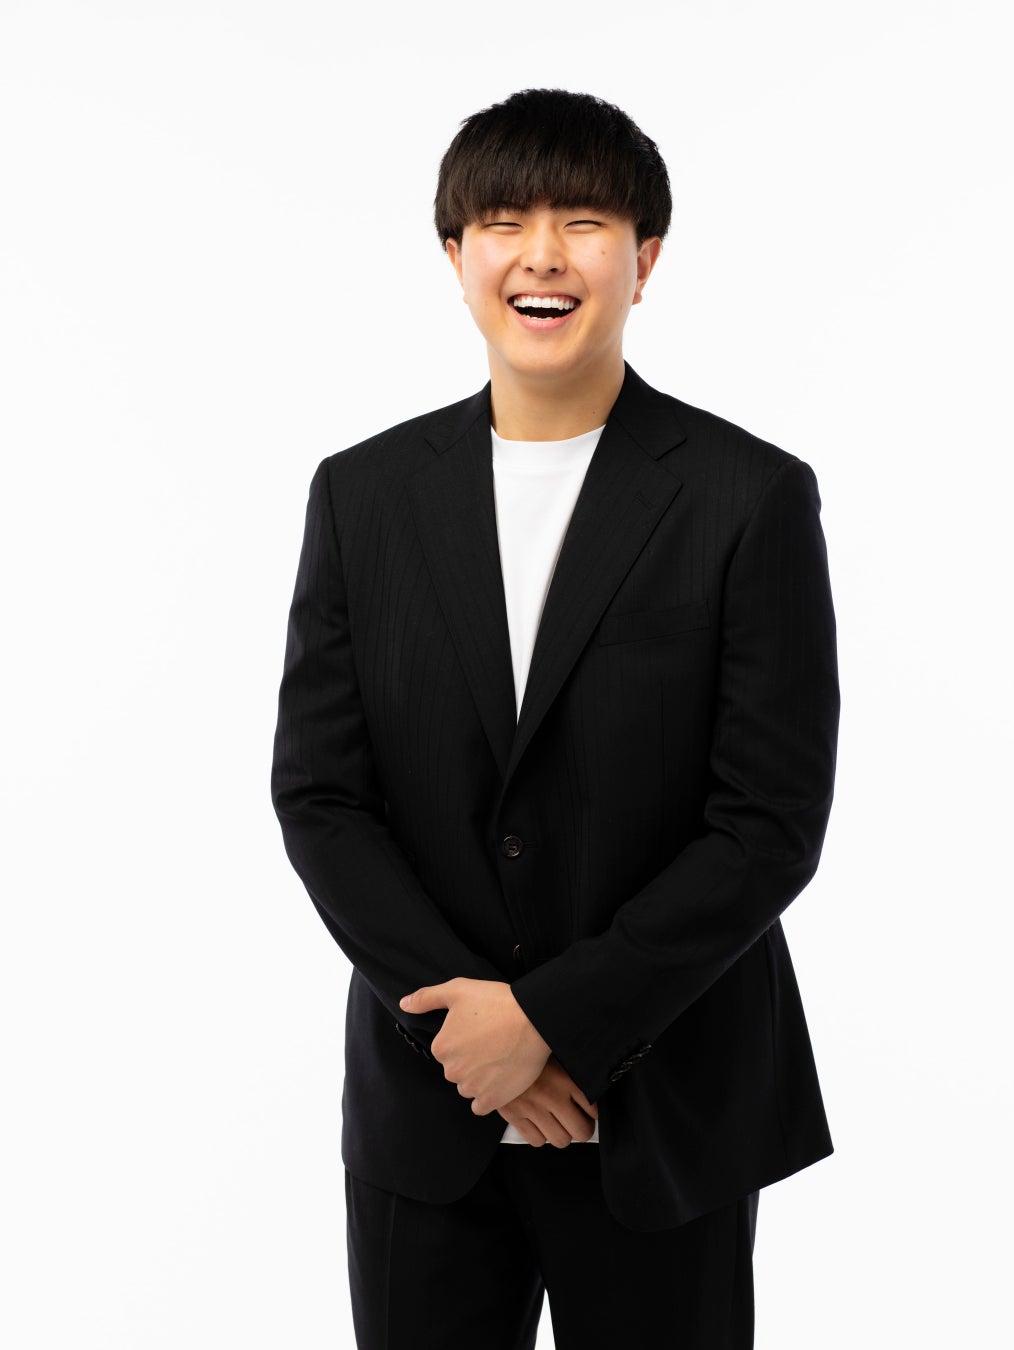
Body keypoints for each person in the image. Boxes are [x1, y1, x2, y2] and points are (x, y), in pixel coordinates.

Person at [271, 87, 840, 1350]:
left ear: (645, 260)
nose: (542, 255)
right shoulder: (363, 496)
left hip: (665, 1103)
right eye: (504, 222)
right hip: (431, 1111)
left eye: (584, 222)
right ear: (455, 255)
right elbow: (321, 796)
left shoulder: (747, 498)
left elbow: (768, 823)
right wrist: (470, 1033)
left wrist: (551, 1024)